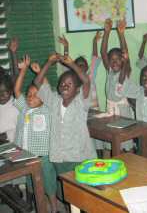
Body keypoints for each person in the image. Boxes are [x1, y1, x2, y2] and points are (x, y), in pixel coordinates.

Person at [34, 53, 97, 213]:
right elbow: (37, 82)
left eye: (69, 83)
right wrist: (48, 62)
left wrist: (72, 65)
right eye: (62, 83)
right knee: (68, 192)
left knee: (82, 191)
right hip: (59, 157)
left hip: (78, 156)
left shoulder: (81, 103)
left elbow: (87, 81)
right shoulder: (54, 100)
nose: (65, 85)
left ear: (77, 90)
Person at [13, 55, 54, 210]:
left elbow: (48, 91)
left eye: (35, 95)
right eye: (29, 94)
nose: (30, 97)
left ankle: (54, 206)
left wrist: (39, 74)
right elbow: (16, 90)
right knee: (32, 185)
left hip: (43, 157)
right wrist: (23, 70)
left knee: (49, 184)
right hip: (27, 156)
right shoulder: (25, 108)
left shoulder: (46, 109)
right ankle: (38, 205)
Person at [100, 18, 134, 152]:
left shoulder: (126, 71)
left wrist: (121, 34)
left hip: (123, 111)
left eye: (118, 58)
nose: (114, 61)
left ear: (123, 59)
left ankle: (132, 164)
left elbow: (125, 53)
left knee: (126, 143)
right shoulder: (109, 72)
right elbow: (103, 53)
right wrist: (107, 32)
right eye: (111, 59)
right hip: (110, 111)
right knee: (110, 145)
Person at [0, 69, 18, 142]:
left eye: (5, 92)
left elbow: (21, 130)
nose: (1, 96)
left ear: (11, 91)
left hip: (11, 145)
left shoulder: (16, 107)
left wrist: (6, 135)